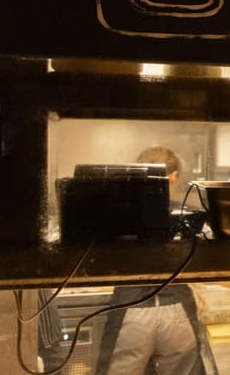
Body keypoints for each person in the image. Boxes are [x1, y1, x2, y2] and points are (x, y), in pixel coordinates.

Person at [95, 147, 213, 375]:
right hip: (178, 311)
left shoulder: (120, 216)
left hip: (131, 310)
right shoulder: (186, 215)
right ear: (174, 176)